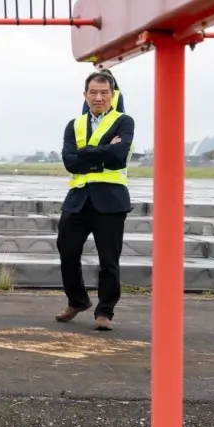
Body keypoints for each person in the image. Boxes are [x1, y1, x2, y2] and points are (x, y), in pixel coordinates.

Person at [55, 71, 135, 331]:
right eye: (93, 92)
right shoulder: (74, 124)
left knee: (108, 260)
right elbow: (69, 161)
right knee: (67, 252)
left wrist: (86, 152)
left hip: (110, 200)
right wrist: (102, 153)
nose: (98, 97)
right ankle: (77, 300)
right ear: (85, 95)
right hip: (78, 198)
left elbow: (119, 155)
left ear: (113, 95)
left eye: (104, 92)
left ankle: (105, 311)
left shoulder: (124, 122)